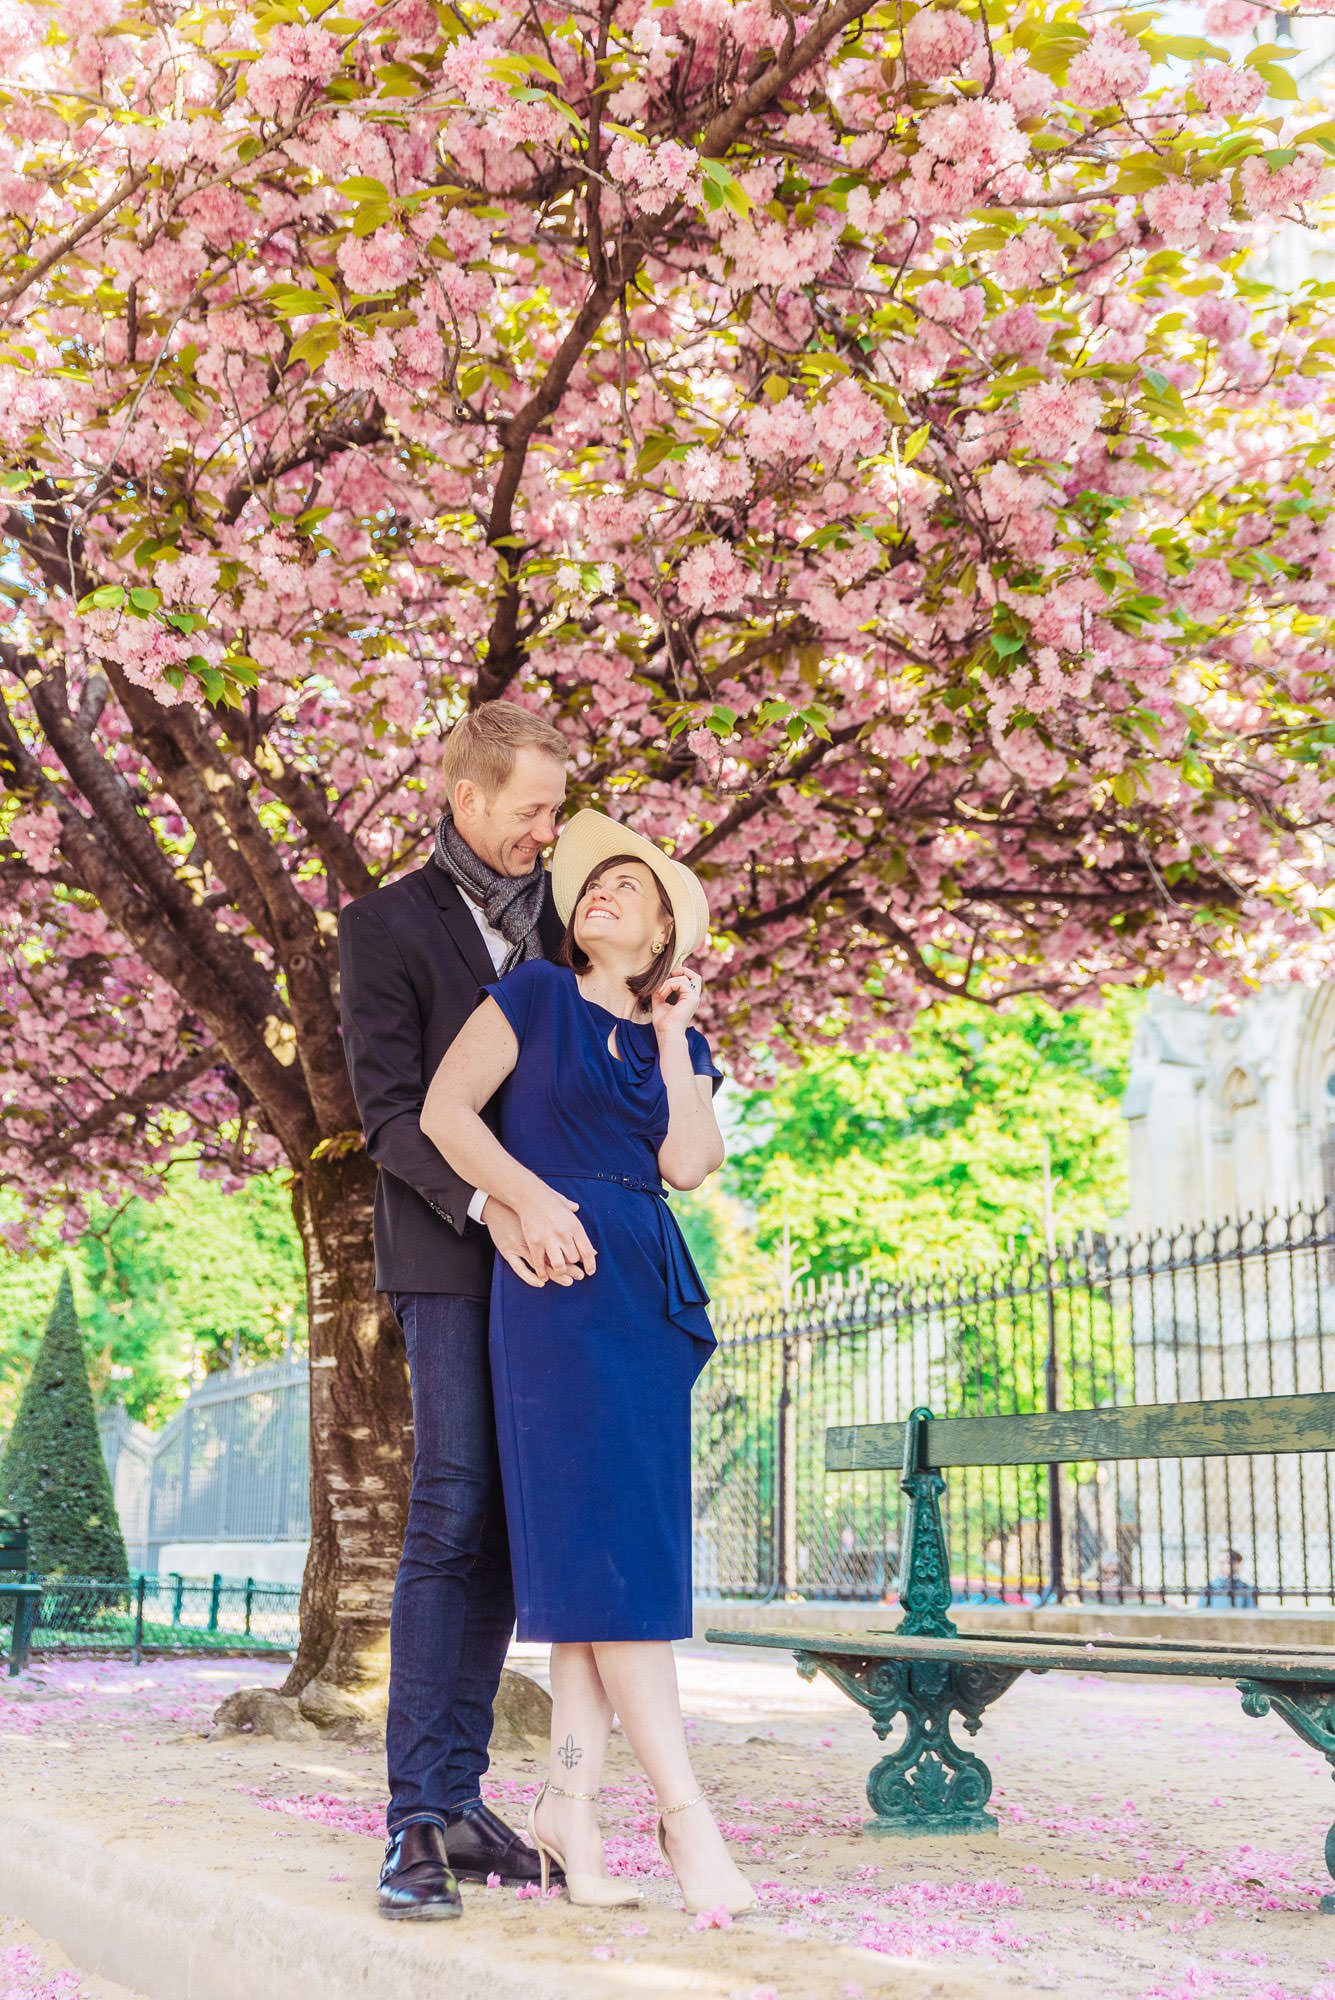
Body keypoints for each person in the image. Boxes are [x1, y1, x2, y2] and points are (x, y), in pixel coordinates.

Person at [420, 807, 757, 1919]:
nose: (598, 893)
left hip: (647, 1294)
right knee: (609, 1557)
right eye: (590, 883)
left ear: (663, 927)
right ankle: (686, 1813)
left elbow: (692, 1162)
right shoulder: (530, 996)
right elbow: (444, 1111)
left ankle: (570, 1805)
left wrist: (672, 1031)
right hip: (556, 1283)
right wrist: (526, 1195)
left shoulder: (678, 1039)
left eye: (628, 885)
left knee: (610, 1563)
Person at [339, 700, 576, 1921]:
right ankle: (412, 1824)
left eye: (557, 807)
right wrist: (497, 1210)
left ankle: (461, 1791)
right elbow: (390, 1114)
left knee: (501, 1539)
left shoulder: (575, 917)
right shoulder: (381, 926)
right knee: (448, 1512)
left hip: (565, 1264)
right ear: (468, 798)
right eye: (533, 806)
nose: (550, 828)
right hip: (450, 1255)